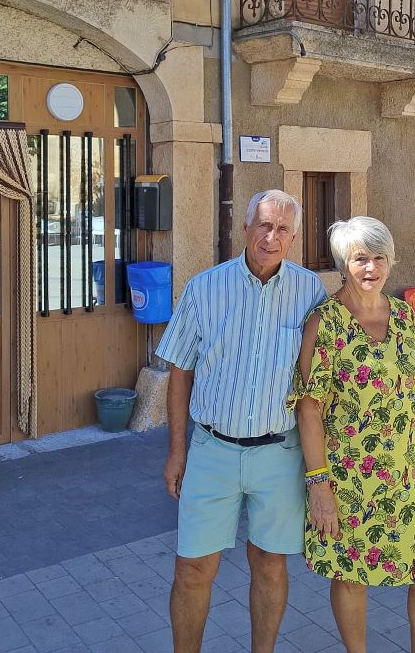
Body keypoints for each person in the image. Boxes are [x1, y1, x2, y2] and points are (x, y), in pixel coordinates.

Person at [158, 189, 328, 653]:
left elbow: (320, 384)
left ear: (293, 238)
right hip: (212, 450)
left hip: (279, 453)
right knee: (193, 569)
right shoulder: (205, 287)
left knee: (270, 565)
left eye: (282, 229)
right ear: (246, 228)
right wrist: (177, 449)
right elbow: (179, 369)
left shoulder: (310, 291)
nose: (271, 237)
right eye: (264, 225)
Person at [288, 217, 415, 653]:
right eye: (361, 258)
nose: (371, 268)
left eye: (380, 258)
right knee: (350, 576)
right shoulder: (324, 323)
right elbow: (309, 409)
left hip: (410, 472)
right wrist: (318, 486)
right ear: (344, 263)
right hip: (350, 479)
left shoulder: (403, 317)